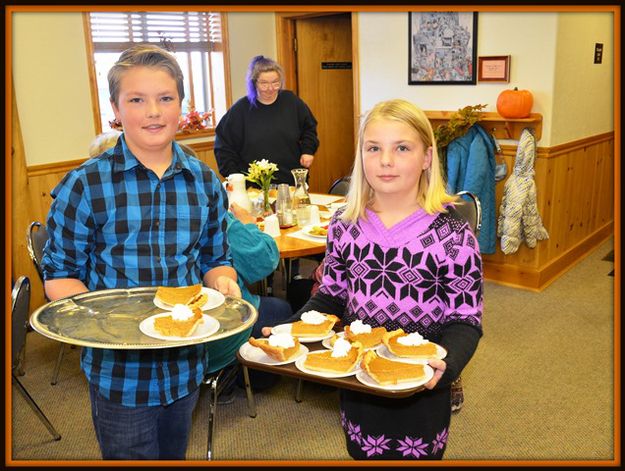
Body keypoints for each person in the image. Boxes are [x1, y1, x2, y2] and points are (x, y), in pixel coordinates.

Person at [40, 44, 241, 460]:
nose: (153, 111)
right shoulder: (86, 185)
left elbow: (215, 258)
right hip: (120, 373)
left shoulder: (204, 181)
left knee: (173, 454)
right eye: (137, 100)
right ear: (116, 108)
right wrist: (104, 325)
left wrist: (223, 283)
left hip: (185, 363)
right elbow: (59, 273)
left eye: (165, 98)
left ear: (182, 105)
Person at [266, 99, 483, 460]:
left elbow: (465, 320)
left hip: (420, 388)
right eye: (373, 148)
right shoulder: (344, 225)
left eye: (402, 148)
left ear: (427, 157)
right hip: (359, 382)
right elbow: (331, 298)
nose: (385, 160)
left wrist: (448, 363)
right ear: (361, 156)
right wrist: (291, 329)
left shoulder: (454, 235)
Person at [204, 201, 293, 396]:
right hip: (216, 337)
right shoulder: (214, 215)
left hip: (170, 334)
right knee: (282, 309)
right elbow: (265, 260)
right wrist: (247, 223)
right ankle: (239, 375)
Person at [214, 54, 319, 186]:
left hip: (290, 181)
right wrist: (235, 176)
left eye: (275, 83)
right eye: (264, 83)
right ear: (254, 83)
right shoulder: (240, 110)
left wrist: (308, 151)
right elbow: (223, 146)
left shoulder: (292, 102)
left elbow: (309, 129)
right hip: (253, 186)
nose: (270, 89)